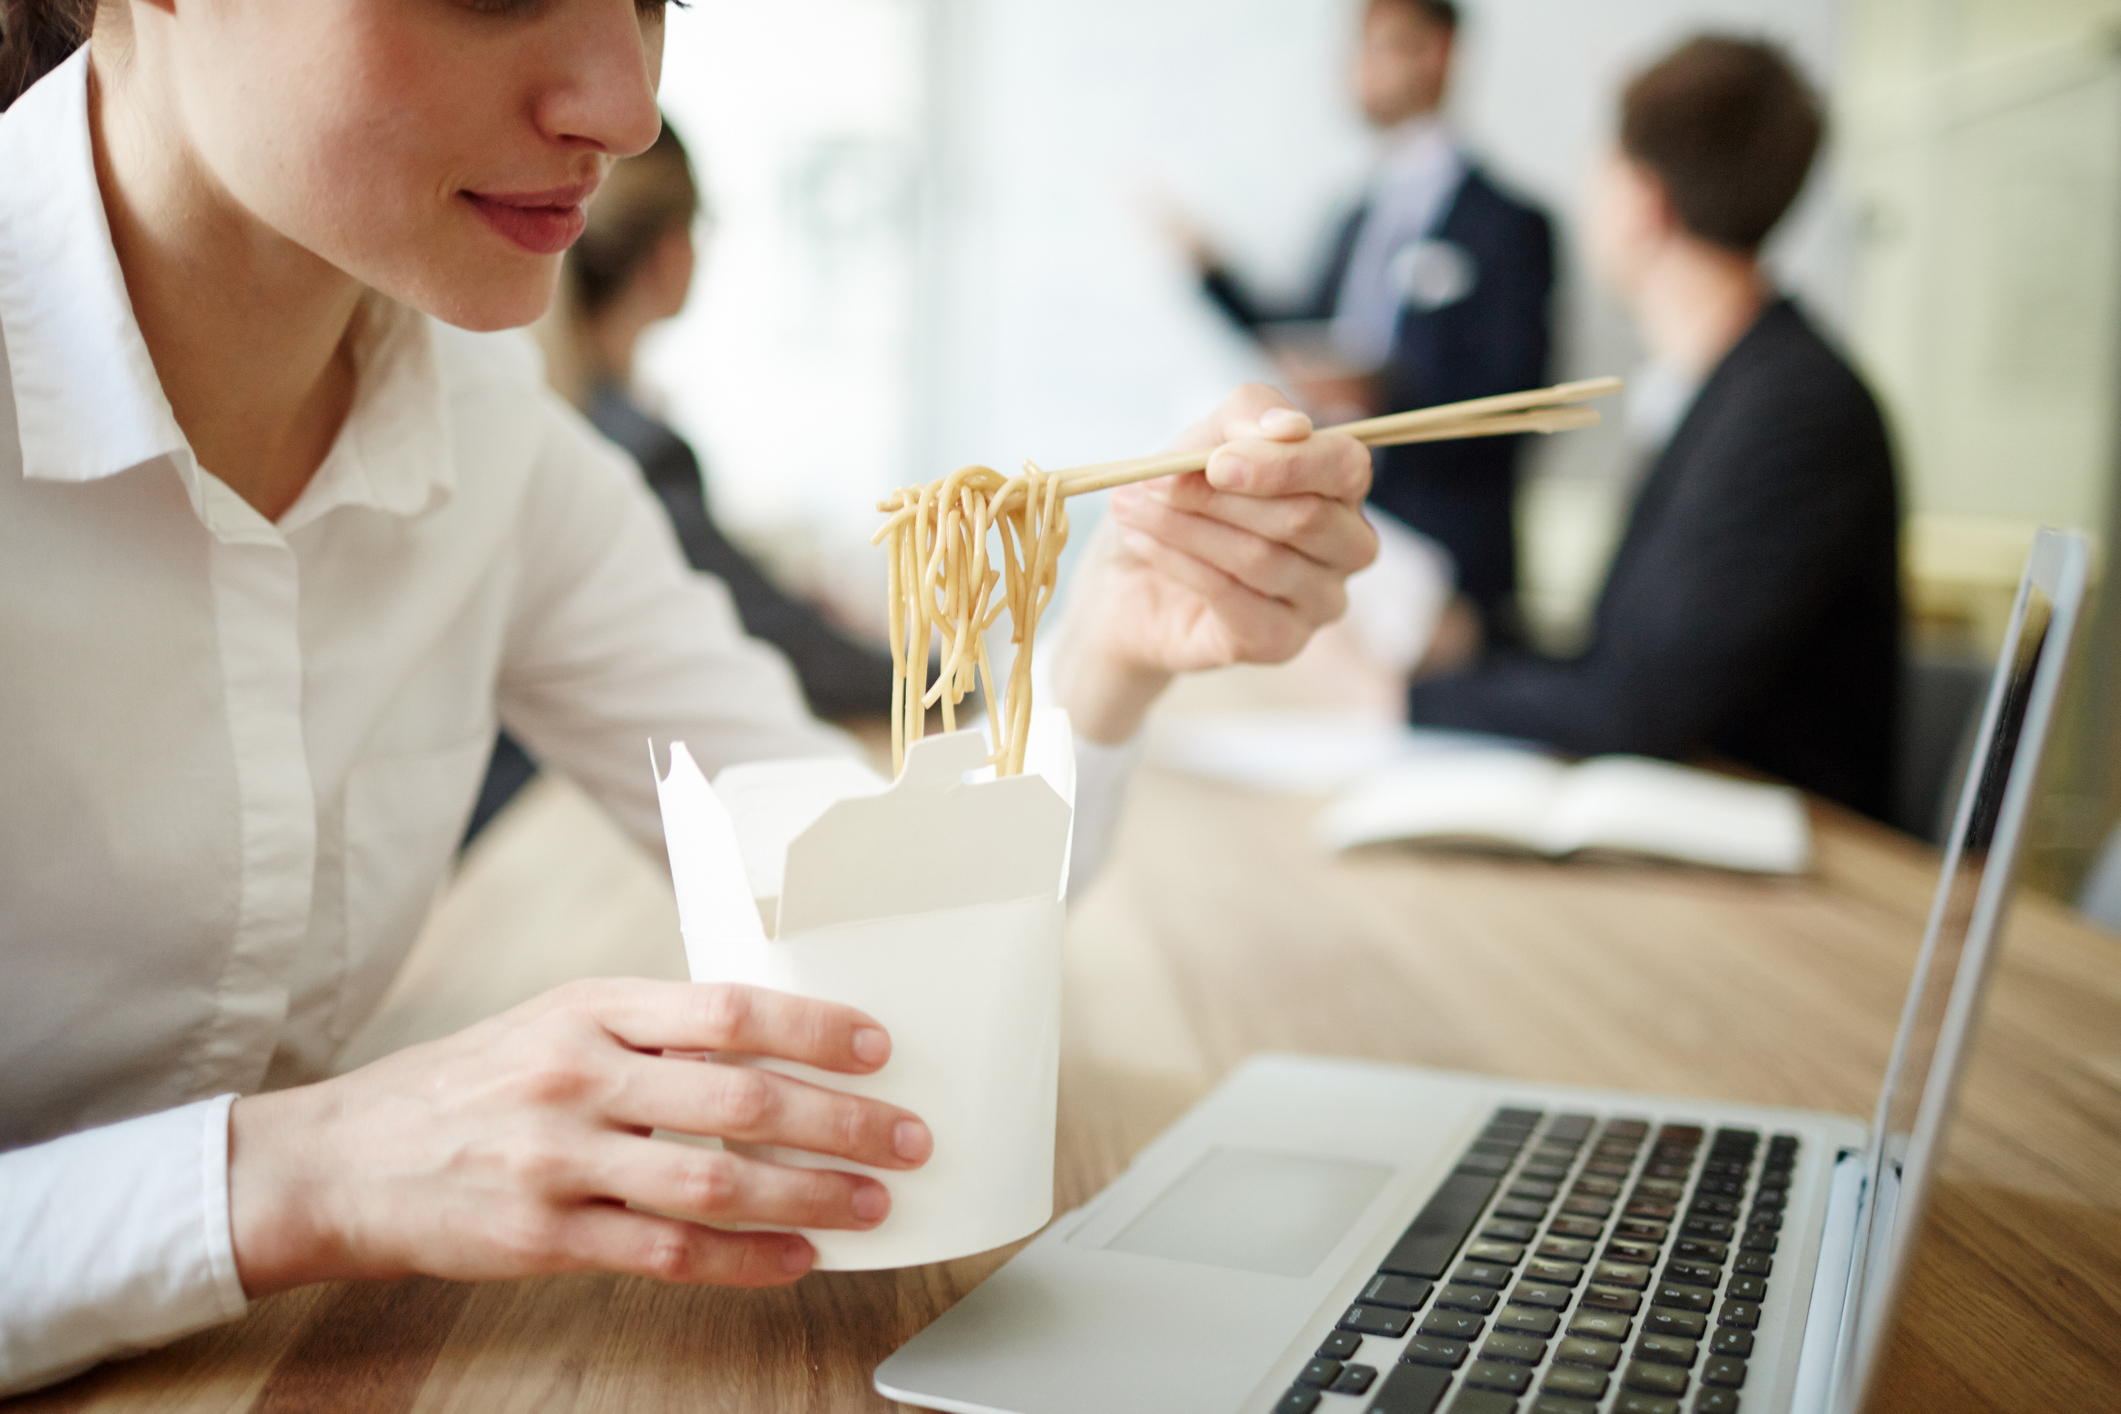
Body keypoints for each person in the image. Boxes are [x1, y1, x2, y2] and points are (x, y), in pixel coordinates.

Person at [0, 0, 1378, 1394]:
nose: (626, 106)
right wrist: (299, 1168)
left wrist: (1109, 645)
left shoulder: (495, 444)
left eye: (660, 0)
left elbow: (875, 898)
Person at [1409, 35, 1903, 820]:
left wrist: (1406, 695)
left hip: (1792, 861)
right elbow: (1631, 654)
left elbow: (1633, 706)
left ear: (1643, 203)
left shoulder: (1794, 410)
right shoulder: (1723, 384)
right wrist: (1464, 645)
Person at [467, 119, 898, 842]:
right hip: (520, 848)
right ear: (670, 254)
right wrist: (951, 680)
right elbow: (771, 643)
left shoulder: (568, 422)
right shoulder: (622, 454)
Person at [1183, 0, 1554, 642]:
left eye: (1381, 45)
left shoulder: (1510, 225)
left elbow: (1520, 401)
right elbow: (1303, 335)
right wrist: (1214, 274)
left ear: (1437, 53)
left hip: (1453, 572)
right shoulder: (1351, 218)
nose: (1359, 67)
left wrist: (1386, 392)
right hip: (1342, 552)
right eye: (1357, 48)